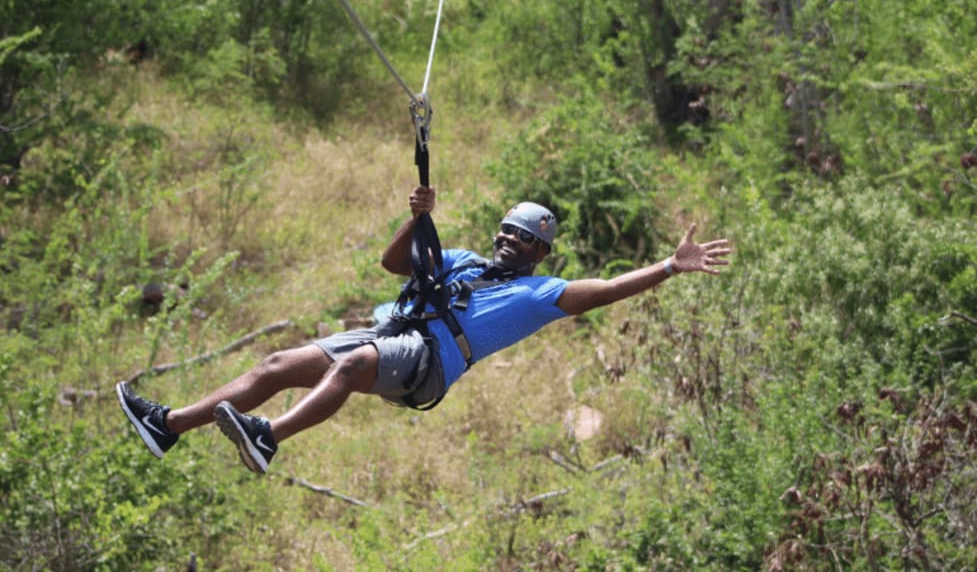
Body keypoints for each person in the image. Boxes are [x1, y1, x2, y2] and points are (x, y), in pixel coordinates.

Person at [116, 186, 732, 474]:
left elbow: (608, 290)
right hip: (391, 331)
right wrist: (417, 221)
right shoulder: (462, 259)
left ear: (539, 252)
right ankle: (166, 425)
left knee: (353, 367)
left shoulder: (537, 293)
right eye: (505, 231)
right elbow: (391, 265)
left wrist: (669, 268)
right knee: (276, 365)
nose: (506, 241)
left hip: (428, 362)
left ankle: (269, 437)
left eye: (520, 238)